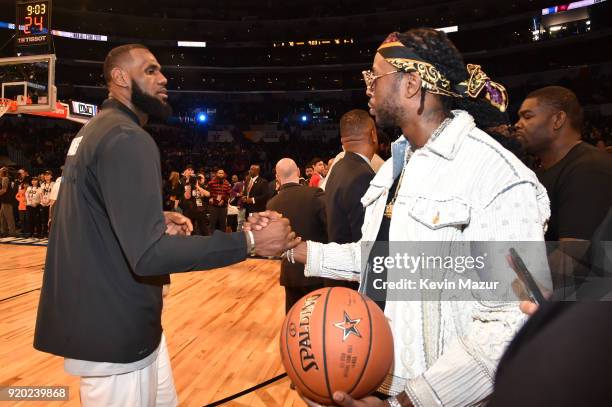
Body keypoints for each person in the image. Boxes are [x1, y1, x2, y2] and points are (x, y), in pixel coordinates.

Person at [270, 29, 551, 407]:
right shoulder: (395, 167)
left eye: (375, 75)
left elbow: (509, 322)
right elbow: (378, 260)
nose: (367, 86)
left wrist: (408, 402)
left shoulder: (497, 176)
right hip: (376, 379)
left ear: (412, 84)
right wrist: (293, 248)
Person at [34, 44, 297, 407]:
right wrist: (249, 241)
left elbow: (93, 217)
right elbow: (148, 255)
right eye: (151, 70)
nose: (164, 78)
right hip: (116, 333)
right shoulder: (127, 137)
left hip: (113, 323)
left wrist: (152, 219)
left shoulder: (96, 130)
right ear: (121, 78)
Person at [266, 158, 327, 312]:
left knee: (294, 323)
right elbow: (330, 226)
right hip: (315, 270)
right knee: (317, 322)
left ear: (277, 177)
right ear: (299, 171)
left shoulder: (272, 203)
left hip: (290, 273)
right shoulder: (315, 194)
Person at [0, 167, 16, 237]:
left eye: (0, 171)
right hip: (4, 201)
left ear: (3, 172)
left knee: (9, 218)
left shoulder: (5, 178)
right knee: (2, 217)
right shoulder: (4, 178)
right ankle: (4, 232)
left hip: (7, 200)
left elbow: (4, 190)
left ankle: (12, 233)